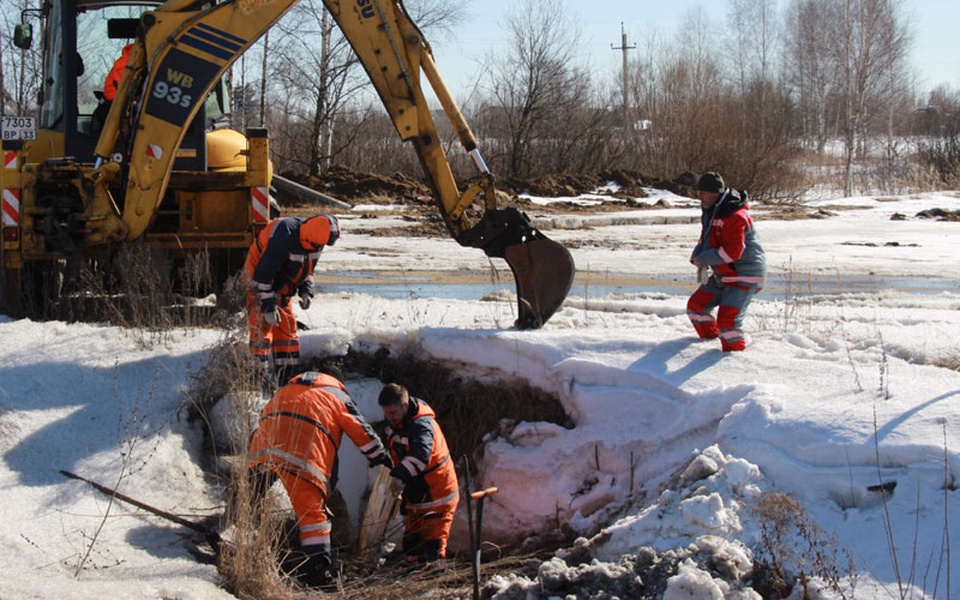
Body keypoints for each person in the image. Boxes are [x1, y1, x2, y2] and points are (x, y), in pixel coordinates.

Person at [246, 370, 391, 589]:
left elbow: (263, 417)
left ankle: (235, 533)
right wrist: (380, 457)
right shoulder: (338, 396)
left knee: (249, 500)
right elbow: (361, 432)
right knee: (313, 519)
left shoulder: (287, 389)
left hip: (263, 449)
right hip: (303, 457)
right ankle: (318, 574)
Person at [244, 215, 340, 383]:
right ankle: (257, 379)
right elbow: (263, 275)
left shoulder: (316, 241)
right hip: (259, 282)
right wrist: (268, 307)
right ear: (312, 237)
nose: (321, 247)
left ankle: (288, 378)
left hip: (284, 287)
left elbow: (306, 270)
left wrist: (305, 290)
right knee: (262, 331)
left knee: (287, 334)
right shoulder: (283, 235)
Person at [377, 383, 459, 568]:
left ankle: (432, 586)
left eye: (392, 413)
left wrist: (399, 475)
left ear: (405, 406)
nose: (389, 418)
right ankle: (413, 579)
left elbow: (420, 455)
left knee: (432, 551)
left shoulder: (422, 426)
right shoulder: (395, 423)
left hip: (438, 495)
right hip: (416, 497)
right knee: (411, 548)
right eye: (386, 413)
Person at [686, 172, 766, 351]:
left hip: (745, 275)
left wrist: (704, 258)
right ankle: (707, 344)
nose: (699, 197)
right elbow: (706, 238)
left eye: (703, 193)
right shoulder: (712, 210)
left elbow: (733, 252)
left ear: (716, 193)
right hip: (724, 274)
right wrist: (697, 253)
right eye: (698, 192)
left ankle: (734, 358)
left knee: (727, 323)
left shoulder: (735, 215)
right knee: (696, 307)